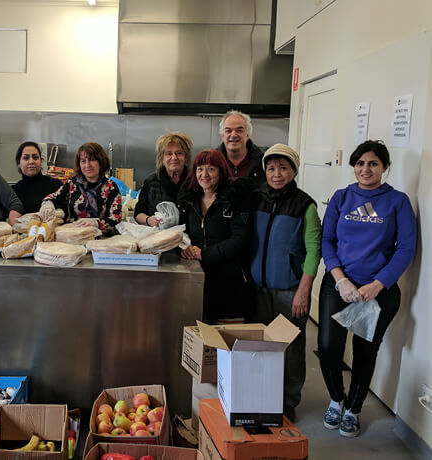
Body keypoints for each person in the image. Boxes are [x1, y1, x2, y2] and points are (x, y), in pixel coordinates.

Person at [318, 140, 416, 437]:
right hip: (339, 284)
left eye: (373, 163)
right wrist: (341, 280)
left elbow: (406, 248)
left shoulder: (397, 201)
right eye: (360, 163)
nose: (366, 169)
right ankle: (336, 399)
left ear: (385, 167)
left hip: (377, 290)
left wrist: (378, 284)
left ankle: (353, 409)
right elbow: (327, 241)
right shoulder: (341, 197)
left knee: (364, 351)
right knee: (328, 347)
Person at [250, 144, 322, 423]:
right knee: (259, 347)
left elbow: (314, 251)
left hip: (290, 289)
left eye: (283, 168)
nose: (276, 174)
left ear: (293, 171)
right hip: (258, 288)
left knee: (290, 350)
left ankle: (288, 401)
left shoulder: (305, 205)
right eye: (271, 168)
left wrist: (304, 291)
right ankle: (260, 396)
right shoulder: (257, 200)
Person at [178, 149, 253, 322]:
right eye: (200, 169)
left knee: (224, 335)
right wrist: (184, 247)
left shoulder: (234, 200)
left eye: (211, 169)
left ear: (221, 171)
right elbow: (181, 232)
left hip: (228, 283)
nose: (204, 174)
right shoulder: (189, 200)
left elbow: (240, 239)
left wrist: (204, 254)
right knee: (196, 330)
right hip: (195, 281)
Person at [38, 142, 122, 235]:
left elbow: (116, 217)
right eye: (83, 161)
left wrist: (96, 222)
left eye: (92, 160)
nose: (87, 165)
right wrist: (48, 204)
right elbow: (52, 197)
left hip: (101, 238)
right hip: (73, 236)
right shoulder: (72, 183)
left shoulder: (110, 187)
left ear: (101, 161)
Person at [135, 132, 193, 227]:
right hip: (159, 234)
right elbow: (138, 214)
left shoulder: (195, 181)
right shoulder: (151, 182)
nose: (174, 157)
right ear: (162, 157)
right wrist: (148, 220)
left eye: (179, 153)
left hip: (188, 235)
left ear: (186, 157)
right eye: (169, 153)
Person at [11, 141, 62, 213]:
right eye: (26, 158)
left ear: (41, 161)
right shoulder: (14, 192)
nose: (31, 161)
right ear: (19, 163)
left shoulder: (56, 185)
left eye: (35, 157)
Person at [217, 110, 265, 182]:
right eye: (228, 131)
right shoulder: (212, 161)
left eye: (239, 130)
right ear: (222, 136)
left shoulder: (262, 161)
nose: (233, 135)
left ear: (247, 134)